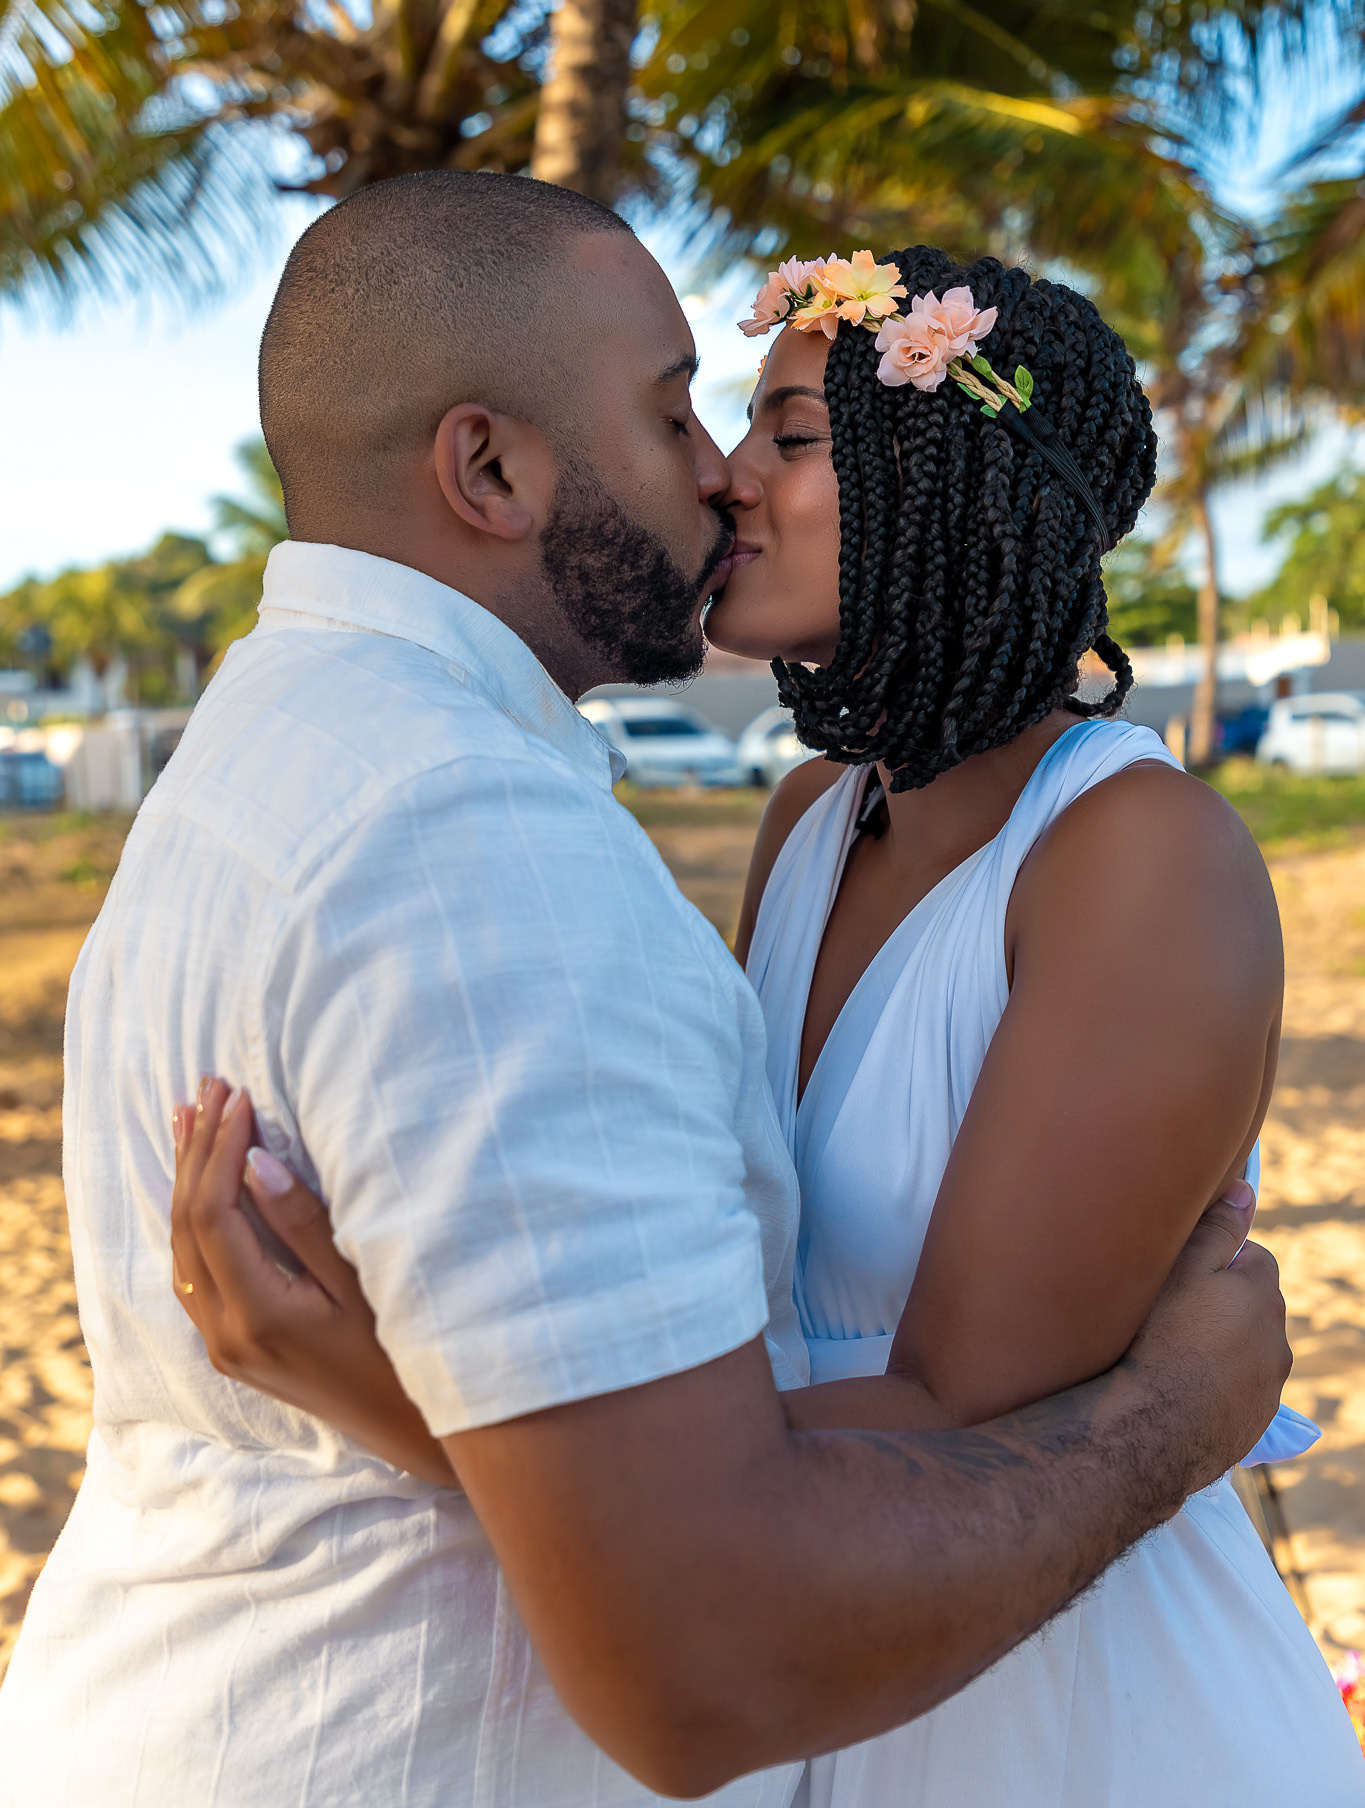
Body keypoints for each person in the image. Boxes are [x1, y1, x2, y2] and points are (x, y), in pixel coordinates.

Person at [0, 181, 1295, 1808]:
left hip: (1041, 1684)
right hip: (816, 1619)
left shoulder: (1137, 857)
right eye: (700, 417)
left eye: (784, 434)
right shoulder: (809, 821)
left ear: (947, 485)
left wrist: (393, 1392)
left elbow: (968, 1405)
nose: (725, 473)